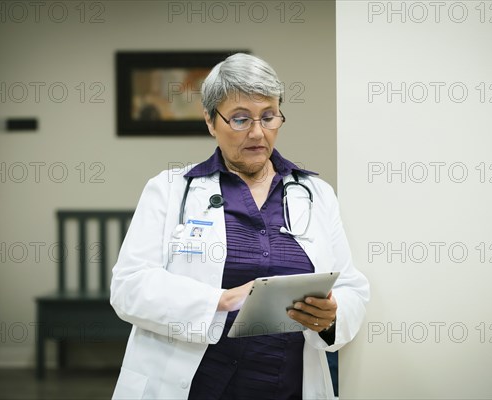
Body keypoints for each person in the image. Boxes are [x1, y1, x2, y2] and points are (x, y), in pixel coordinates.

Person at [110, 53, 369, 399]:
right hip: (193, 386)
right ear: (210, 121)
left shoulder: (316, 195)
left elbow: (351, 286)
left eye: (268, 116)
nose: (257, 133)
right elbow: (129, 287)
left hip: (285, 384)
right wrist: (221, 299)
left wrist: (333, 313)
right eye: (240, 119)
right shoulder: (169, 190)